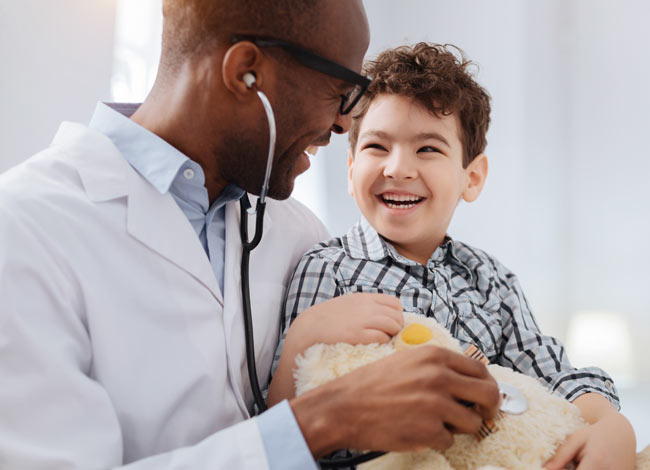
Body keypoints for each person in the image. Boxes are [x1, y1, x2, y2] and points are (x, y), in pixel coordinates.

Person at [0, 2, 502, 469]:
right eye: (340, 90)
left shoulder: (299, 235)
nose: (343, 122)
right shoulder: (23, 229)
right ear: (246, 72)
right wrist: (319, 423)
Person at [269, 43, 637, 470]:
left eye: (428, 149)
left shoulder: (491, 279)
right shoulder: (327, 269)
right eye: (377, 147)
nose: (398, 168)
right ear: (351, 172)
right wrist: (303, 337)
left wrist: (612, 424)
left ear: (472, 177)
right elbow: (280, 428)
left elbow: (553, 373)